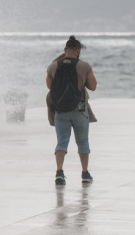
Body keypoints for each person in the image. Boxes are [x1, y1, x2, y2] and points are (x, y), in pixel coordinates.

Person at [46, 35, 97, 186]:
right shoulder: (84, 65)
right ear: (78, 50)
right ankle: (85, 173)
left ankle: (59, 172)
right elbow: (93, 86)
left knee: (62, 141)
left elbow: (50, 87)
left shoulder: (53, 66)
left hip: (60, 110)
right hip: (79, 109)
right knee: (82, 141)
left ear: (65, 50)